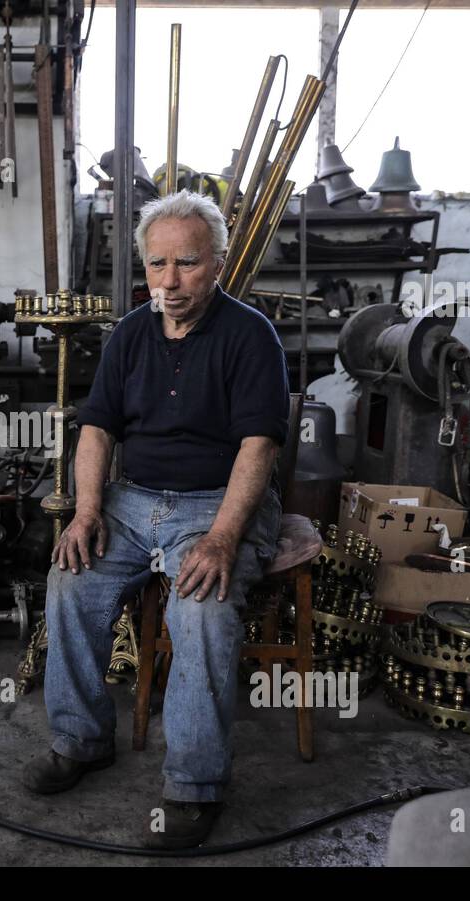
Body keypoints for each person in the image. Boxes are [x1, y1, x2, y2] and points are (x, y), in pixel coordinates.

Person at [22, 190, 291, 849]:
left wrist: (225, 536)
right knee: (70, 579)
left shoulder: (250, 335)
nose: (170, 282)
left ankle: (195, 786)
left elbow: (259, 447)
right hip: (132, 500)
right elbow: (95, 431)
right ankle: (81, 740)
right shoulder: (130, 334)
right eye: (157, 265)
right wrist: (87, 511)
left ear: (220, 263)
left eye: (188, 263)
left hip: (217, 501)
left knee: (200, 605)